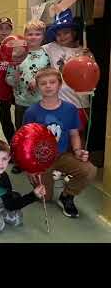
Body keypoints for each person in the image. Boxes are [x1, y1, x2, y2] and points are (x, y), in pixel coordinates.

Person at [23, 68, 97, 218]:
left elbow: (74, 133)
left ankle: (67, 196)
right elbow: (25, 142)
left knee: (89, 169)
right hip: (41, 160)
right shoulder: (31, 112)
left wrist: (77, 151)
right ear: (37, 87)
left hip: (62, 156)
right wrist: (29, 167)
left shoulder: (70, 109)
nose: (48, 86)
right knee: (46, 197)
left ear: (60, 84)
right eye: (43, 83)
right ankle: (48, 177)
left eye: (52, 82)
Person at [6, 20, 50, 173]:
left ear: (43, 36)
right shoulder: (18, 53)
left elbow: (51, 76)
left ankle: (36, 158)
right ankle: (20, 160)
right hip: (21, 101)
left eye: (37, 34)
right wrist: (15, 78)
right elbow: (9, 79)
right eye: (30, 34)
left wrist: (38, 80)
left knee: (39, 132)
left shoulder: (46, 55)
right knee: (21, 132)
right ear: (24, 36)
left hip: (40, 102)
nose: (33, 37)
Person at [42, 9, 90, 133]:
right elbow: (33, 47)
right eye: (58, 34)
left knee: (79, 136)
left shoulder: (82, 51)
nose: (62, 37)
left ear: (73, 33)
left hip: (80, 103)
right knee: (60, 136)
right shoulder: (51, 48)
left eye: (66, 33)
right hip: (59, 103)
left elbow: (91, 74)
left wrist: (89, 57)